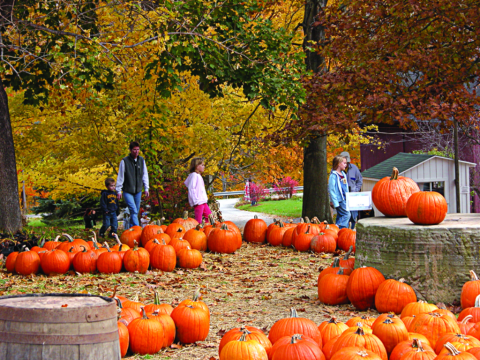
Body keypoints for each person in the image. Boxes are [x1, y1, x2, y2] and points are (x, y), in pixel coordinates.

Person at [116, 141, 149, 228]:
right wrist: (118, 190)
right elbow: (120, 176)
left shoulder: (141, 160)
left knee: (135, 211)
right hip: (128, 190)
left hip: (138, 190)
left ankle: (131, 229)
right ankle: (138, 229)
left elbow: (145, 174)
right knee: (133, 210)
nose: (136, 152)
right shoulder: (124, 161)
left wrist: (146, 188)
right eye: (134, 150)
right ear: (130, 150)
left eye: (138, 150)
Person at [184, 157, 212, 223]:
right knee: (198, 220)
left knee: (210, 217)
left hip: (203, 201)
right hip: (198, 202)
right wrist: (195, 200)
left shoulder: (198, 175)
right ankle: (197, 231)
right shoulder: (194, 175)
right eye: (202, 165)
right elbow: (191, 188)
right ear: (196, 166)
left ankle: (207, 230)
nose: (204, 166)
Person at [340, 151, 363, 228]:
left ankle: (352, 230)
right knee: (344, 216)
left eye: (347, 162)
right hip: (343, 197)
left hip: (353, 196)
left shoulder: (354, 168)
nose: (346, 164)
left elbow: (360, 181)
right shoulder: (338, 171)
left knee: (353, 216)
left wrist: (356, 190)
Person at [328, 155, 351, 229]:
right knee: (347, 214)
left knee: (341, 215)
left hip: (344, 199)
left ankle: (341, 232)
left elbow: (345, 187)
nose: (346, 165)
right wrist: (333, 201)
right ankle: (337, 226)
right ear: (338, 164)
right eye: (344, 163)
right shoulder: (333, 175)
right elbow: (331, 189)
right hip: (339, 199)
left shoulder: (343, 174)